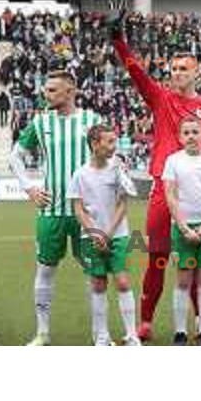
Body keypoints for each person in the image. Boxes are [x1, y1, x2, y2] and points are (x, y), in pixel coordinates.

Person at [112, 22, 201, 341]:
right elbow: (137, 74)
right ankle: (145, 322)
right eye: (173, 69)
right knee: (157, 257)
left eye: (184, 68)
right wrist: (119, 42)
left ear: (197, 72)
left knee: (198, 262)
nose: (177, 73)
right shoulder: (160, 98)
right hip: (163, 190)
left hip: (198, 195)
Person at [9, 70, 102, 346]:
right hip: (51, 212)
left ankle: (100, 335)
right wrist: (29, 187)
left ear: (70, 91)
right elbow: (15, 156)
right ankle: (43, 333)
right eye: (46, 89)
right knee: (45, 270)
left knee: (93, 274)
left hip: (86, 212)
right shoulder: (41, 122)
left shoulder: (92, 121)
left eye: (52, 90)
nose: (45, 94)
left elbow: (108, 157)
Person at [68, 124, 140, 346]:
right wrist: (94, 232)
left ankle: (131, 335)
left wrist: (107, 233)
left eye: (114, 141)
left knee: (123, 282)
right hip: (90, 238)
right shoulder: (80, 174)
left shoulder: (117, 170)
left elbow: (122, 205)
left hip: (117, 235)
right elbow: (78, 209)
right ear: (94, 144)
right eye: (109, 142)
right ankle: (102, 336)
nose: (113, 146)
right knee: (98, 284)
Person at [163, 116, 201, 346]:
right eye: (186, 132)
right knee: (183, 280)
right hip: (182, 228)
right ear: (180, 137)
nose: (191, 136)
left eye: (195, 132)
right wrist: (183, 226)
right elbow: (170, 195)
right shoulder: (173, 161)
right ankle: (180, 331)